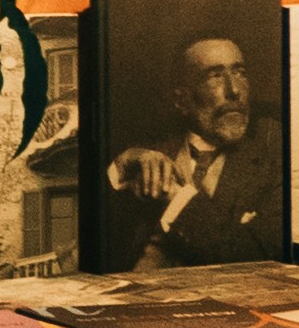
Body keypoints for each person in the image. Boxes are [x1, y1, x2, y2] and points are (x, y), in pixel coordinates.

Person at [99, 34, 281, 266]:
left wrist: (176, 197)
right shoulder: (150, 154)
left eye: (239, 73)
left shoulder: (273, 161)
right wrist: (121, 165)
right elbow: (99, 235)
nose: (234, 90)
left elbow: (259, 256)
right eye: (215, 76)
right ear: (182, 100)